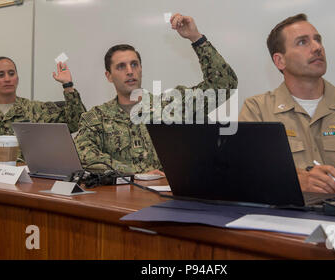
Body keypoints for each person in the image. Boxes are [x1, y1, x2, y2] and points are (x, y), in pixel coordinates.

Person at [239, 13, 335, 196]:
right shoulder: (257, 109)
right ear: (280, 61)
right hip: (283, 218)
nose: (317, 47)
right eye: (303, 42)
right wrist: (300, 180)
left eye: (318, 40)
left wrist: (314, 181)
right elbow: (250, 174)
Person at [74, 13, 238, 174]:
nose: (130, 71)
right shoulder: (96, 118)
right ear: (108, 76)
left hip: (168, 197)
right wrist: (138, 173)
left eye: (134, 64)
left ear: (141, 69)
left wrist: (197, 39)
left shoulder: (172, 104)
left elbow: (224, 85)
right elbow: (84, 156)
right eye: (121, 66)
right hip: (119, 199)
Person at [0, 57, 86, 177]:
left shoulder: (36, 109)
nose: (7, 79)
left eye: (11, 74)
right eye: (1, 75)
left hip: (27, 179)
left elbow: (76, 123)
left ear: (17, 78)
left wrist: (68, 86)